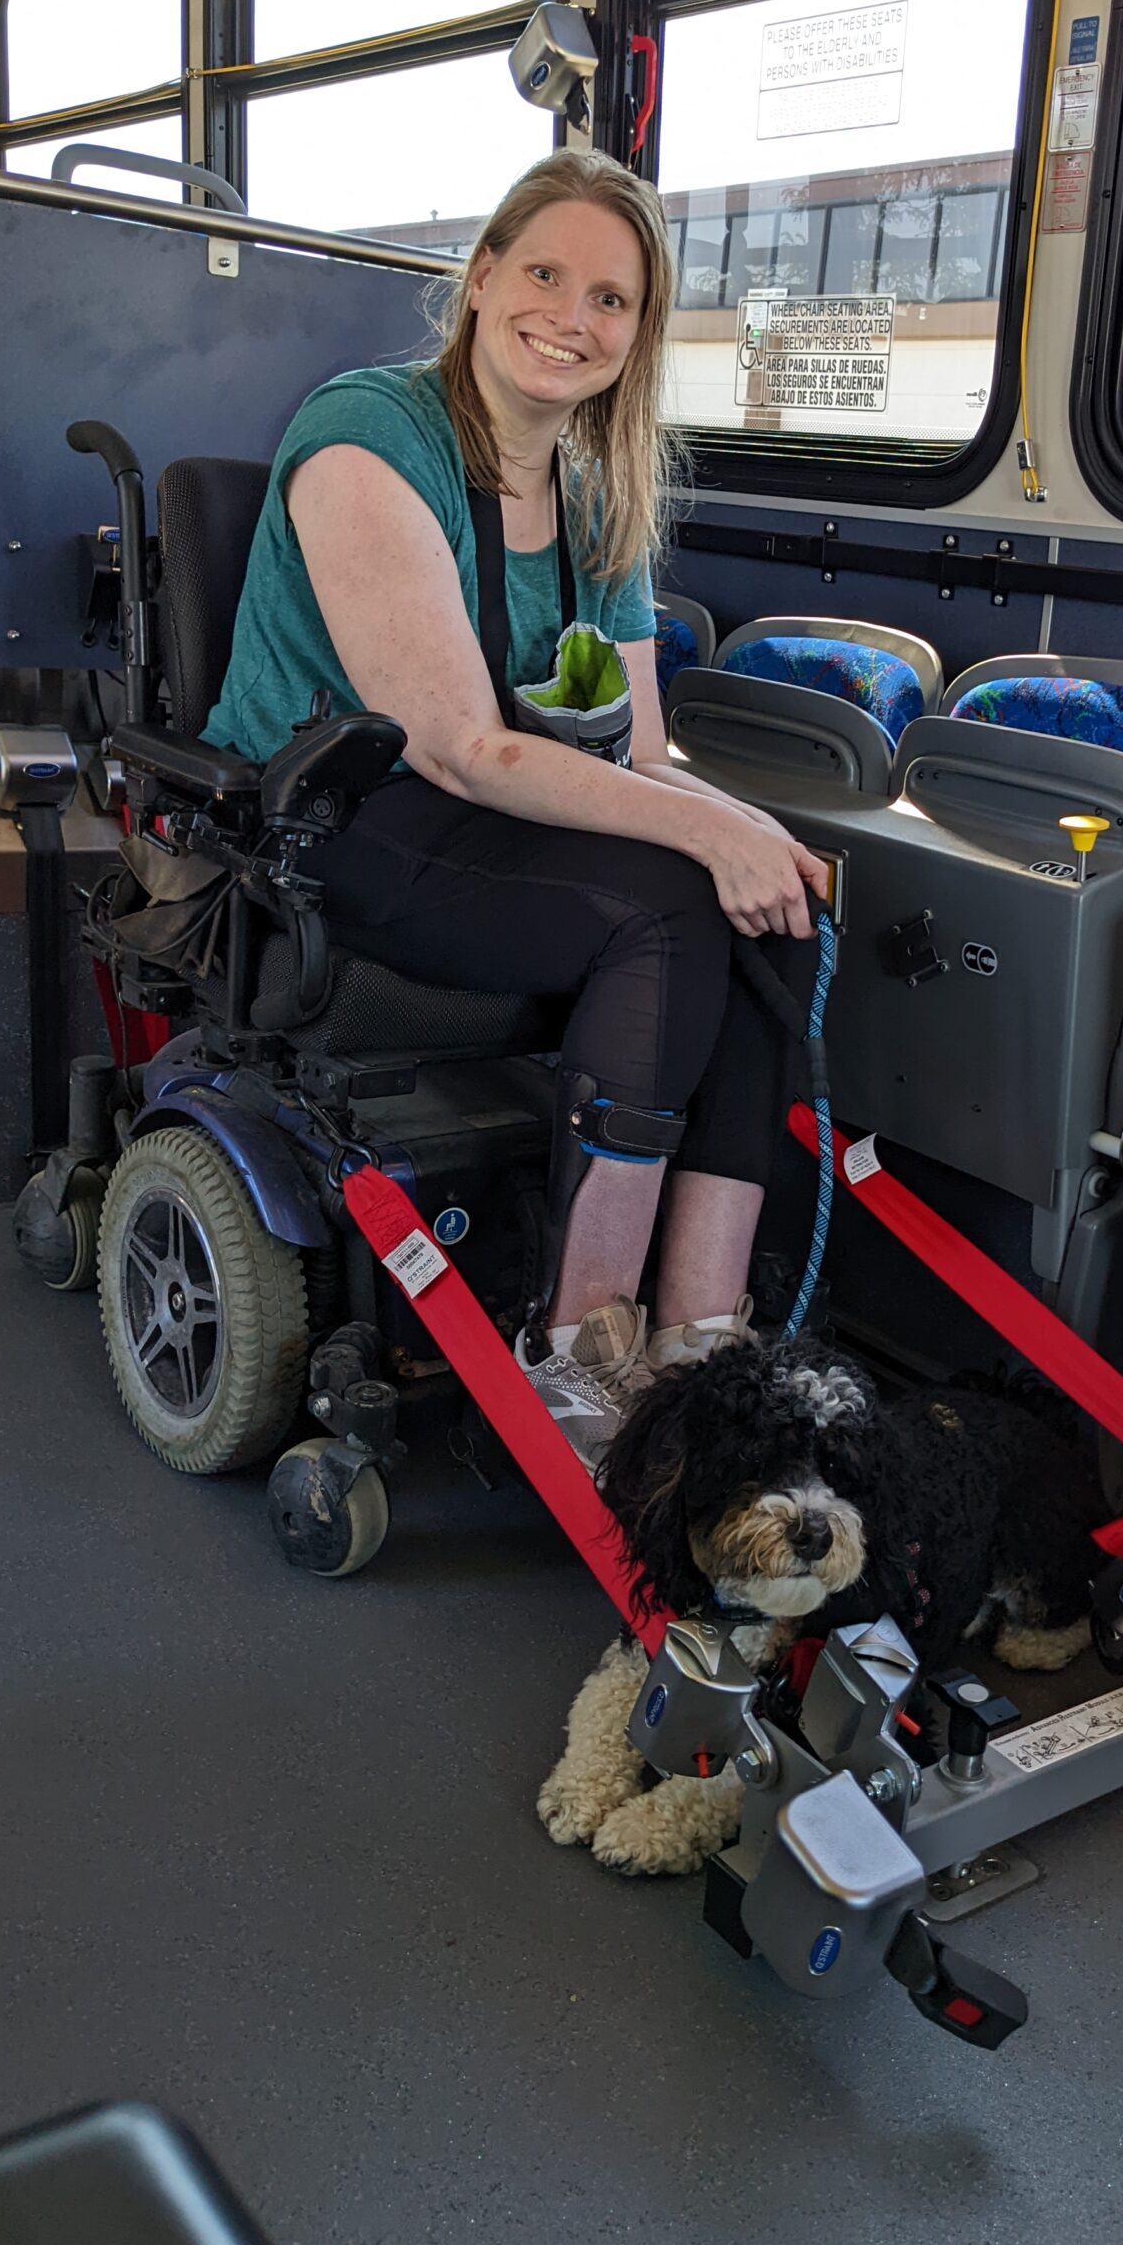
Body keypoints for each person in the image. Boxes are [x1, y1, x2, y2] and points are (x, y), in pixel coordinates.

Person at [204, 147, 827, 1457]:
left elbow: (644, 756)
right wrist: (710, 833)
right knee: (669, 905)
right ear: (482, 279)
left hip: (492, 819)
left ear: (639, 334)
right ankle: (584, 1349)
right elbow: (463, 752)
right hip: (341, 819)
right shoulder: (371, 432)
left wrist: (752, 841)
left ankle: (703, 1344)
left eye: (613, 299)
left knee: (763, 912)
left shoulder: (598, 491)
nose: (574, 314)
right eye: (546, 273)